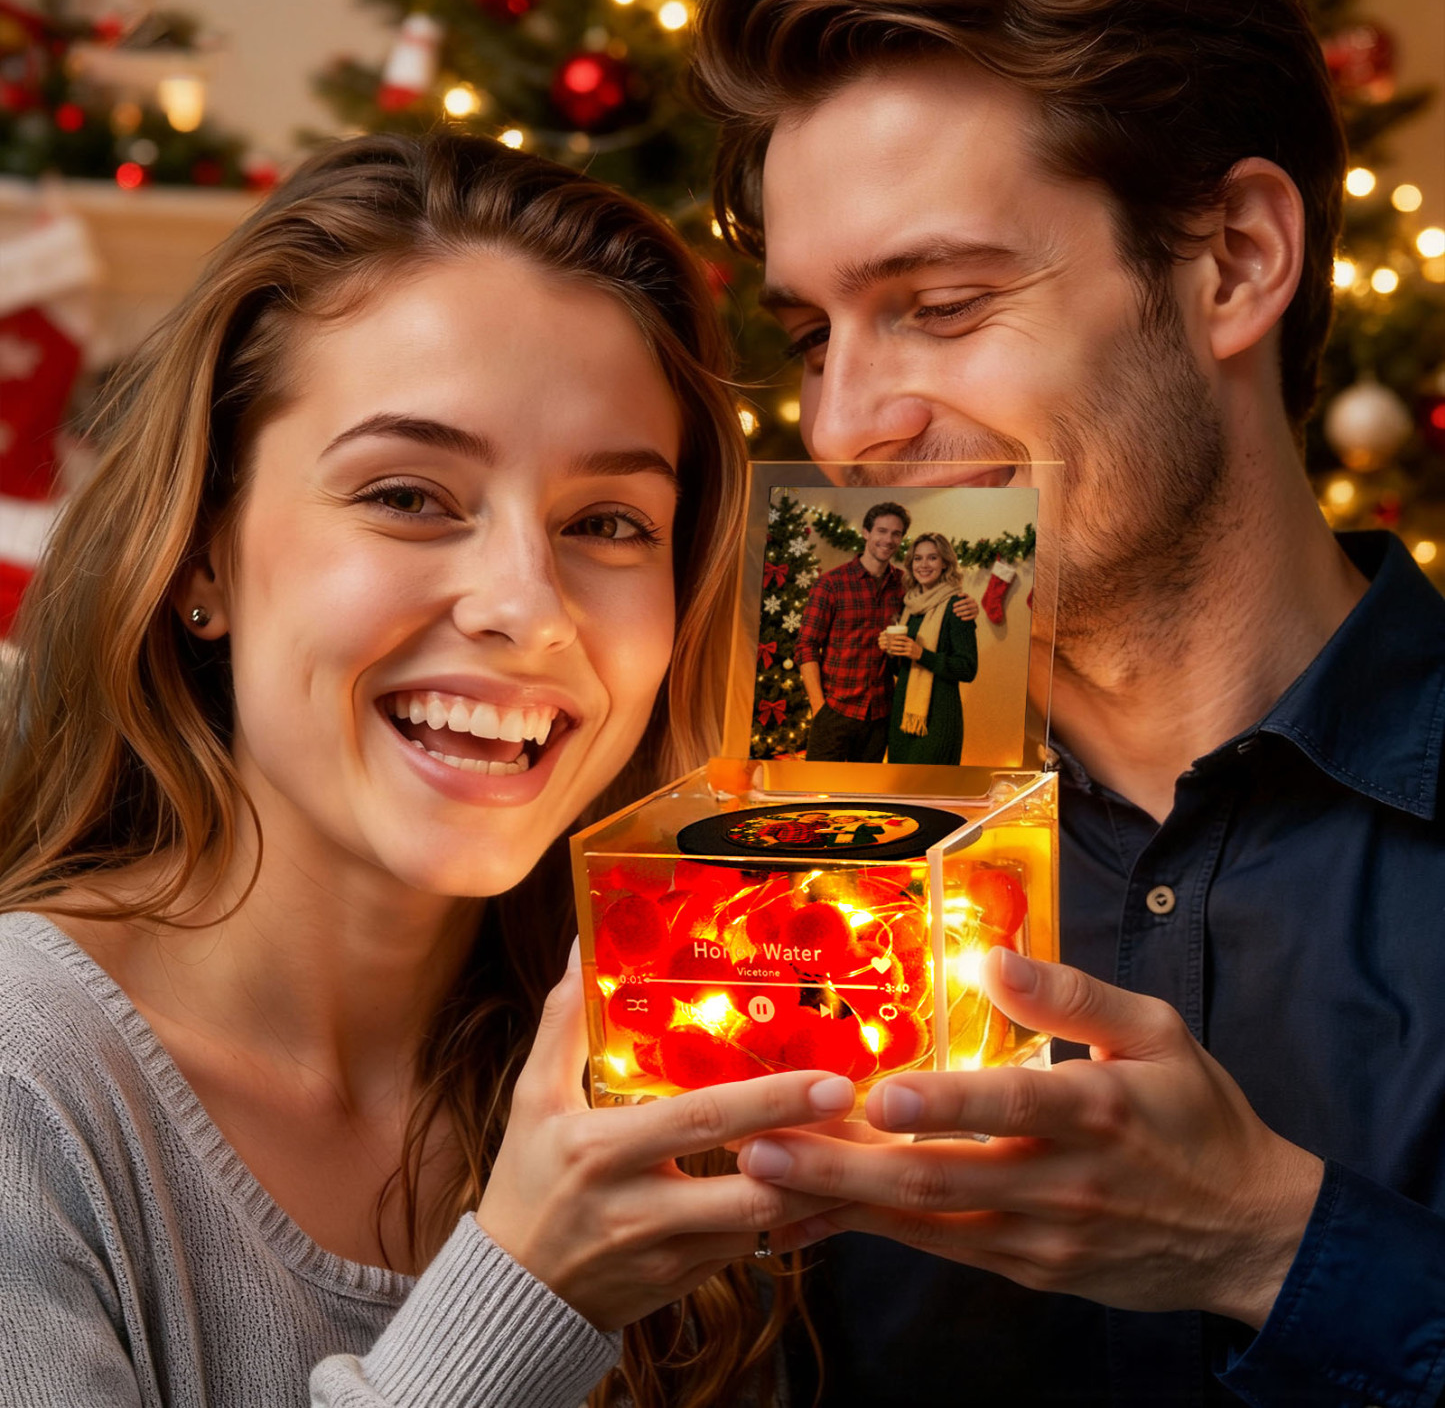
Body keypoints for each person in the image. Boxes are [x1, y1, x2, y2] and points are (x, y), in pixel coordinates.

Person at [0, 134, 857, 1408]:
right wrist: (526, 1290)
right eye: (408, 494)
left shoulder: (662, 1072)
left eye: (608, 523)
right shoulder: (31, 1092)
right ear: (200, 558)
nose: (529, 604)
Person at [693, 0, 1445, 1404]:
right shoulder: (776, 842)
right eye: (809, 336)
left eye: (942, 303)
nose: (840, 425)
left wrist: (1274, 1248)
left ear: (1231, 260)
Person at [794, 500, 909, 762]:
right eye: (881, 531)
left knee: (863, 798)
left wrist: (965, 605)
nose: (888, 539)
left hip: (880, 715)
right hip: (835, 711)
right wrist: (819, 708)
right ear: (866, 533)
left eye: (896, 533)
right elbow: (806, 646)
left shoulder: (904, 584)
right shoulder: (831, 584)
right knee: (818, 793)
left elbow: (937, 600)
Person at [880, 532, 977, 766]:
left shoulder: (958, 605)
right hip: (903, 716)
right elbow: (900, 670)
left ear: (945, 563)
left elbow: (967, 669)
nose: (924, 565)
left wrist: (921, 654)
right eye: (917, 558)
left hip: (939, 719)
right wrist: (889, 650)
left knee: (931, 792)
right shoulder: (909, 606)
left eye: (932, 558)